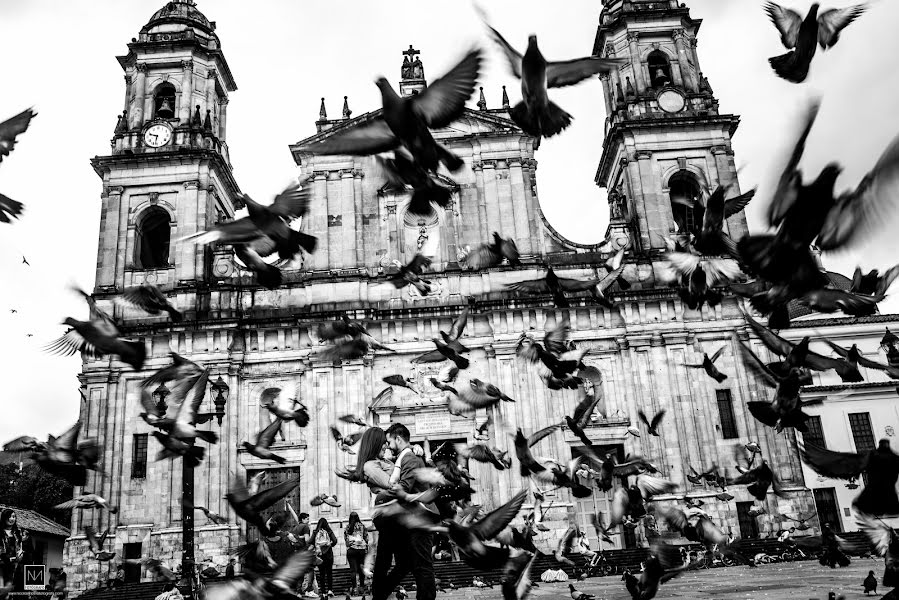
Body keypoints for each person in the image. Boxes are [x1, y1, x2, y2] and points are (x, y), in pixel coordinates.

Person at [372, 423, 437, 600]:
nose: (388, 447)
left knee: (422, 565)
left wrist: (381, 498)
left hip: (421, 517)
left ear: (398, 439)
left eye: (389, 441)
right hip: (414, 518)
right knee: (414, 564)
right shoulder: (404, 458)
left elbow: (405, 487)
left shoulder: (409, 458)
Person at [355, 427, 396, 580]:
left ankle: (380, 591)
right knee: (386, 558)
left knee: (389, 559)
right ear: (375, 443)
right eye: (384, 443)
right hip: (386, 513)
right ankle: (379, 591)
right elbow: (390, 484)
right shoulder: (371, 465)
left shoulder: (382, 462)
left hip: (389, 511)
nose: (386, 446)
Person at [312, 518, 337, 598]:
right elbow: (335, 541)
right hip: (329, 555)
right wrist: (329, 545)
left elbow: (310, 541)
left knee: (322, 574)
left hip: (320, 555)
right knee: (329, 573)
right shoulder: (329, 531)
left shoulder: (315, 532)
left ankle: (323, 592)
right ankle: (330, 590)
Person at [344, 512, 368, 595]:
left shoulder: (348, 527)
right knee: (361, 569)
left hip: (352, 550)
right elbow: (366, 538)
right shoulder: (362, 526)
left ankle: (354, 588)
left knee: (353, 570)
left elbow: (346, 541)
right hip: (361, 550)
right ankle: (361, 587)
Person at [0, 509, 23, 590]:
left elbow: (20, 547)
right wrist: (6, 559)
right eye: (9, 516)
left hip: (13, 566)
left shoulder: (17, 532)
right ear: (4, 518)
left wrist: (19, 555)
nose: (11, 519)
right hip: (1, 564)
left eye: (13, 517)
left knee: (8, 590)